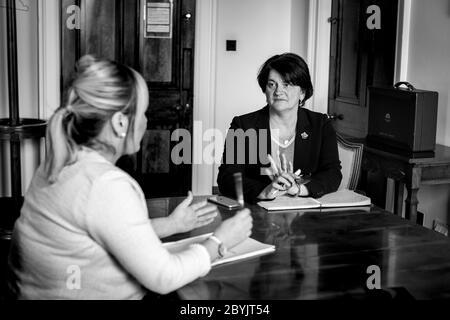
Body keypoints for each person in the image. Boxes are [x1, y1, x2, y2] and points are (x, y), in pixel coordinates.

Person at [7, 55, 252, 300]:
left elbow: (108, 231)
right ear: (120, 122)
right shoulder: (106, 185)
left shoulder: (60, 163)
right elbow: (164, 277)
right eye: (143, 112)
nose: (146, 121)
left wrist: (172, 225)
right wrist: (221, 241)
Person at [217, 53, 342, 203]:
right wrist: (264, 191)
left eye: (286, 84)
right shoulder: (244, 126)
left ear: (302, 92)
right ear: (265, 91)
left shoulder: (320, 124)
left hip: (306, 214)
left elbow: (332, 173)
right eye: (272, 84)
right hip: (257, 214)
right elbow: (227, 177)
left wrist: (298, 189)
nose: (278, 91)